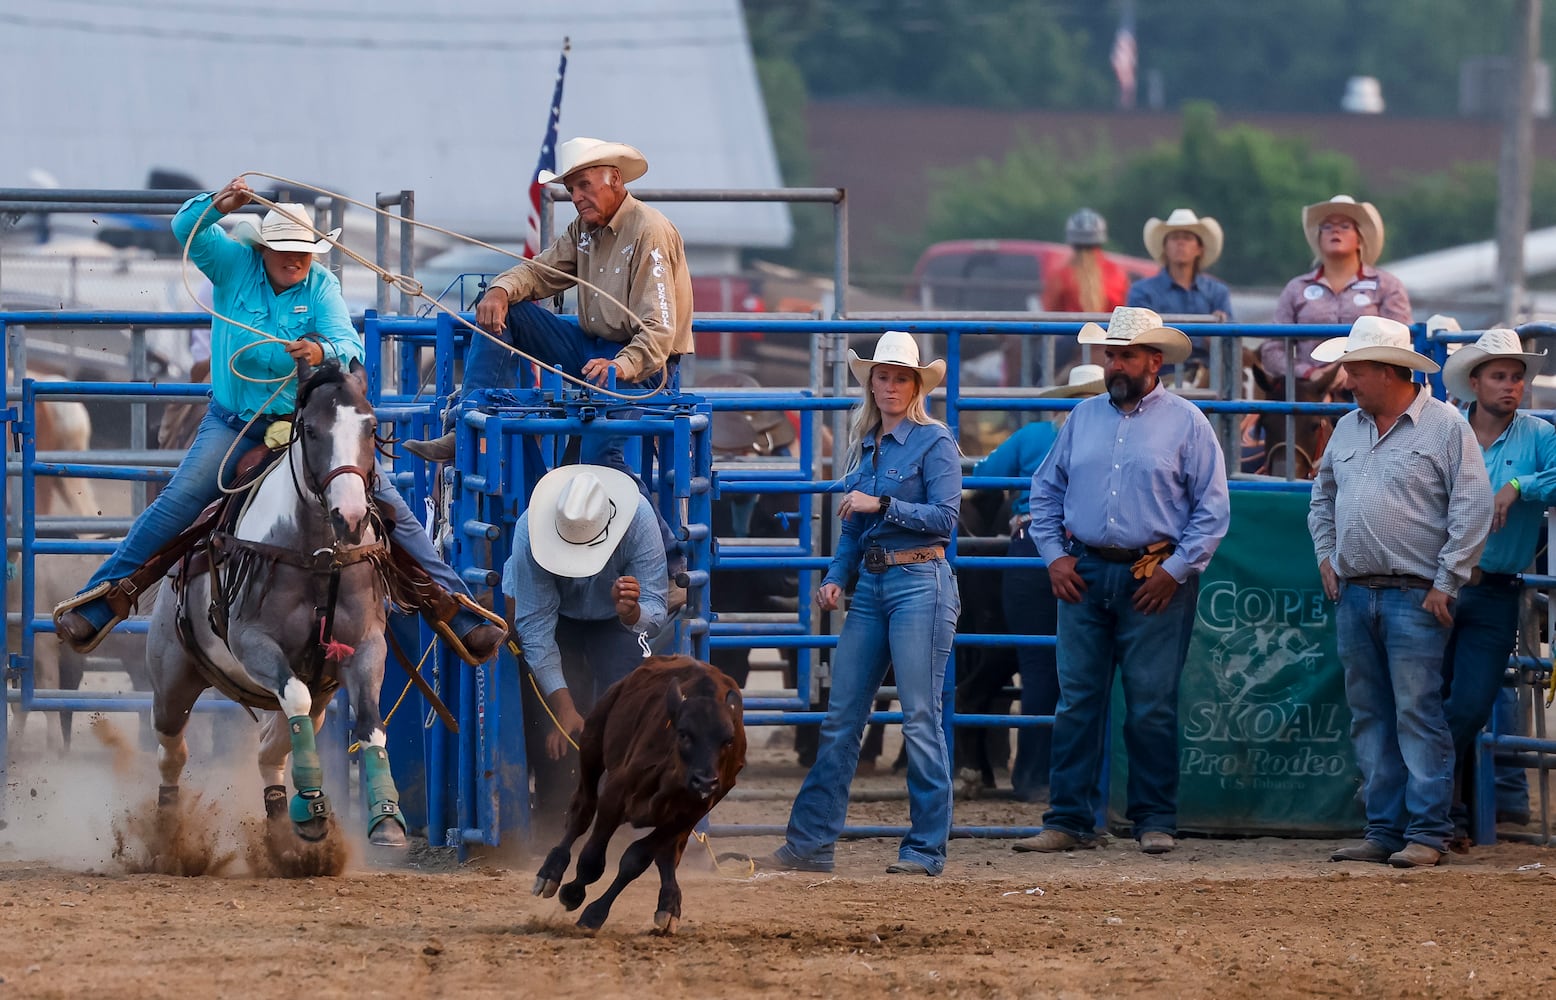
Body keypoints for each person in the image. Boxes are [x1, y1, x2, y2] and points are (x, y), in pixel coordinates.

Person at [52, 180, 506, 666]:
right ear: (262, 248)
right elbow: (185, 228)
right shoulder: (231, 265)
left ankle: (454, 607)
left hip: (305, 426)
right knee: (179, 502)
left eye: (304, 251)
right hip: (236, 421)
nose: (296, 259)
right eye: (285, 249)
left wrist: (322, 351)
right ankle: (103, 599)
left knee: (387, 504)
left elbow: (350, 346)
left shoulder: (322, 286)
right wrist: (215, 205)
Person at [1013, 307, 1229, 856]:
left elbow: (1212, 510)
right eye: (1110, 355)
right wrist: (1056, 557)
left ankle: (1153, 817)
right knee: (1078, 699)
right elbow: (1044, 491)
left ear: (1154, 361)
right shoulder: (1083, 418)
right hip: (1086, 569)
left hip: (1154, 574)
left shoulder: (1188, 422)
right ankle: (1069, 818)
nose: (1115, 365)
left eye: (1126, 355)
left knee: (1150, 703)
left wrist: (1176, 570)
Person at [759, 331, 962, 876]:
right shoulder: (867, 444)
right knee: (843, 716)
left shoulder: (934, 441)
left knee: (919, 717)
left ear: (915, 385)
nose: (890, 385)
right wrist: (835, 577)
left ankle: (923, 848)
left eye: (900, 377)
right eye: (883, 376)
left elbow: (945, 519)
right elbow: (853, 527)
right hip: (876, 584)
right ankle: (810, 844)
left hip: (921, 577)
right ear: (871, 382)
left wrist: (883, 503)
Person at [1309, 316, 1492, 869]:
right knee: (1376, 714)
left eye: (1357, 370)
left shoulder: (1444, 427)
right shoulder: (1348, 427)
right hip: (1362, 589)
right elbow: (1322, 499)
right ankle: (1388, 828)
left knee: (1413, 713)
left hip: (1413, 593)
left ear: (1389, 373)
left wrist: (1446, 581)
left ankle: (1424, 831)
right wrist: (1326, 554)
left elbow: (1472, 507)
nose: (1348, 380)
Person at [404, 137, 694, 468]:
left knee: (595, 460)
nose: (577, 198)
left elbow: (658, 331)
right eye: (571, 190)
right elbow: (541, 272)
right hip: (593, 354)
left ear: (614, 178)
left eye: (584, 185)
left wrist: (619, 366)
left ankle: (649, 522)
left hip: (641, 367)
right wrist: (500, 290)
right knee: (509, 309)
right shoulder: (582, 230)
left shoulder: (650, 231)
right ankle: (470, 421)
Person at [1438, 329, 1555, 849]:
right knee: (1443, 700)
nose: (1511, 386)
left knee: (1465, 703)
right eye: (1500, 376)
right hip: (1440, 584)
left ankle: (1415, 797)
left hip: (1492, 589)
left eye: (1517, 378)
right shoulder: (1444, 431)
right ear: (1475, 382)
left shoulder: (1538, 435)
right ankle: (1446, 815)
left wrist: (1518, 486)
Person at [501, 464, 669, 826]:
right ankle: (554, 811)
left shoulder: (638, 519)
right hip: (558, 615)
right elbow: (535, 624)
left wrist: (631, 612)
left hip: (615, 623)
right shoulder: (529, 531)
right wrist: (562, 706)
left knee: (626, 707)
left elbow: (655, 605)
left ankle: (620, 812)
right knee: (547, 719)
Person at [971, 363, 1103, 803]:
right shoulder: (1113, 435)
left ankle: (1032, 776)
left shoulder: (1033, 436)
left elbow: (982, 480)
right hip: (1093, 548)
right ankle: (1086, 780)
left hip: (1031, 546)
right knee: (1089, 669)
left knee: (1039, 668)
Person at [1262, 195, 1412, 384]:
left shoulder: (1388, 285)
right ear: (1319, 239)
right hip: (1309, 391)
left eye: (1345, 226)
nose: (1335, 230)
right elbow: (1272, 350)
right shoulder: (1296, 288)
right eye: (1326, 226)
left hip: (1373, 386)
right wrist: (1310, 373)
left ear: (1360, 239)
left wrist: (1352, 370)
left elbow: (1401, 343)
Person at [1127, 209, 1233, 320]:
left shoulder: (1218, 292)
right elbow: (1139, 334)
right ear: (1165, 248)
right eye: (1174, 238)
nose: (1180, 243)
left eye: (1187, 238)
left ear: (1199, 249)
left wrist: (1220, 324)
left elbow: (1232, 333)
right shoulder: (1142, 291)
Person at [1041, 208, 1130, 316]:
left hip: (1071, 333)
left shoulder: (1060, 275)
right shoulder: (1117, 273)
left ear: (1072, 241)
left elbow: (1049, 315)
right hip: (1109, 332)